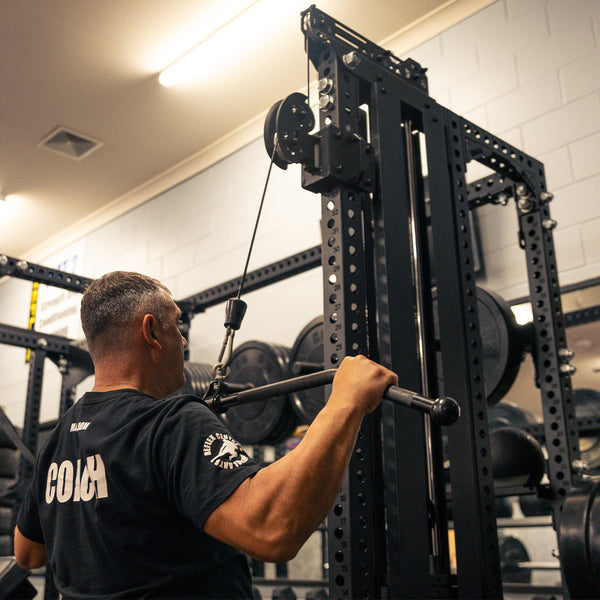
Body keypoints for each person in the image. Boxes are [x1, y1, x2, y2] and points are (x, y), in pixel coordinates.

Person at [14, 271, 397, 599]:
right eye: (176, 325)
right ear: (151, 331)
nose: (183, 341)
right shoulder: (170, 422)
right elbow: (272, 529)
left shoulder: (59, 440)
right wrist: (345, 403)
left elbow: (28, 552)